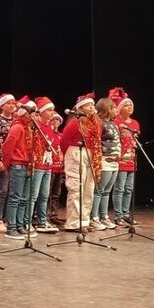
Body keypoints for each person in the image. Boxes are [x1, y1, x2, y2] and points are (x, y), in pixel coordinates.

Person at [60, 93, 101, 232]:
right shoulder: (75, 122)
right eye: (88, 105)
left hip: (90, 153)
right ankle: (73, 222)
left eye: (92, 105)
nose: (91, 107)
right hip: (76, 152)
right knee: (76, 189)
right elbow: (64, 141)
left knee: (88, 189)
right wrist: (71, 155)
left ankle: (84, 220)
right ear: (80, 108)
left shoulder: (95, 123)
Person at [0, 96, 37, 240]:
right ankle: (11, 227)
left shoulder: (30, 129)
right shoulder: (17, 127)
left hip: (28, 165)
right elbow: (7, 147)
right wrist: (7, 164)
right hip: (18, 165)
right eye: (31, 113)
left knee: (24, 198)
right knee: (15, 197)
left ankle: (20, 225)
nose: (34, 116)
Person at [28, 97, 59, 233]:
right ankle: (27, 221)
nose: (52, 113)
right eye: (49, 110)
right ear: (41, 112)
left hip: (48, 165)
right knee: (33, 195)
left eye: (53, 110)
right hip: (38, 165)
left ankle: (42, 221)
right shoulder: (36, 126)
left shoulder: (50, 127)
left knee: (44, 195)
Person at [110, 87, 140, 226]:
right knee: (119, 188)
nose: (130, 107)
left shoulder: (135, 123)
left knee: (129, 188)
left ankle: (127, 213)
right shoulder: (116, 122)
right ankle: (118, 216)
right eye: (127, 105)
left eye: (131, 105)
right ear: (120, 108)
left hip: (131, 159)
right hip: (120, 159)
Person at [89, 97, 121, 231]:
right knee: (99, 190)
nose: (116, 110)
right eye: (113, 107)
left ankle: (104, 216)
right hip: (104, 161)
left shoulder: (113, 124)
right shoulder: (99, 123)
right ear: (107, 109)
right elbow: (96, 142)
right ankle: (94, 218)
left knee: (107, 191)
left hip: (114, 161)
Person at [0, 93, 17, 233]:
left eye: (13, 103)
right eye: (9, 103)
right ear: (2, 106)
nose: (12, 105)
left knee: (12, 190)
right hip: (2, 160)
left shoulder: (16, 121)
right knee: (2, 190)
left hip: (15, 160)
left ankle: (8, 218)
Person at [46, 114, 66, 226]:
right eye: (53, 119)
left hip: (59, 168)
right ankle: (45, 215)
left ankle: (53, 214)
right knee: (47, 193)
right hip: (51, 167)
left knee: (56, 193)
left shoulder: (61, 135)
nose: (55, 122)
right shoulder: (49, 134)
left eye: (58, 120)